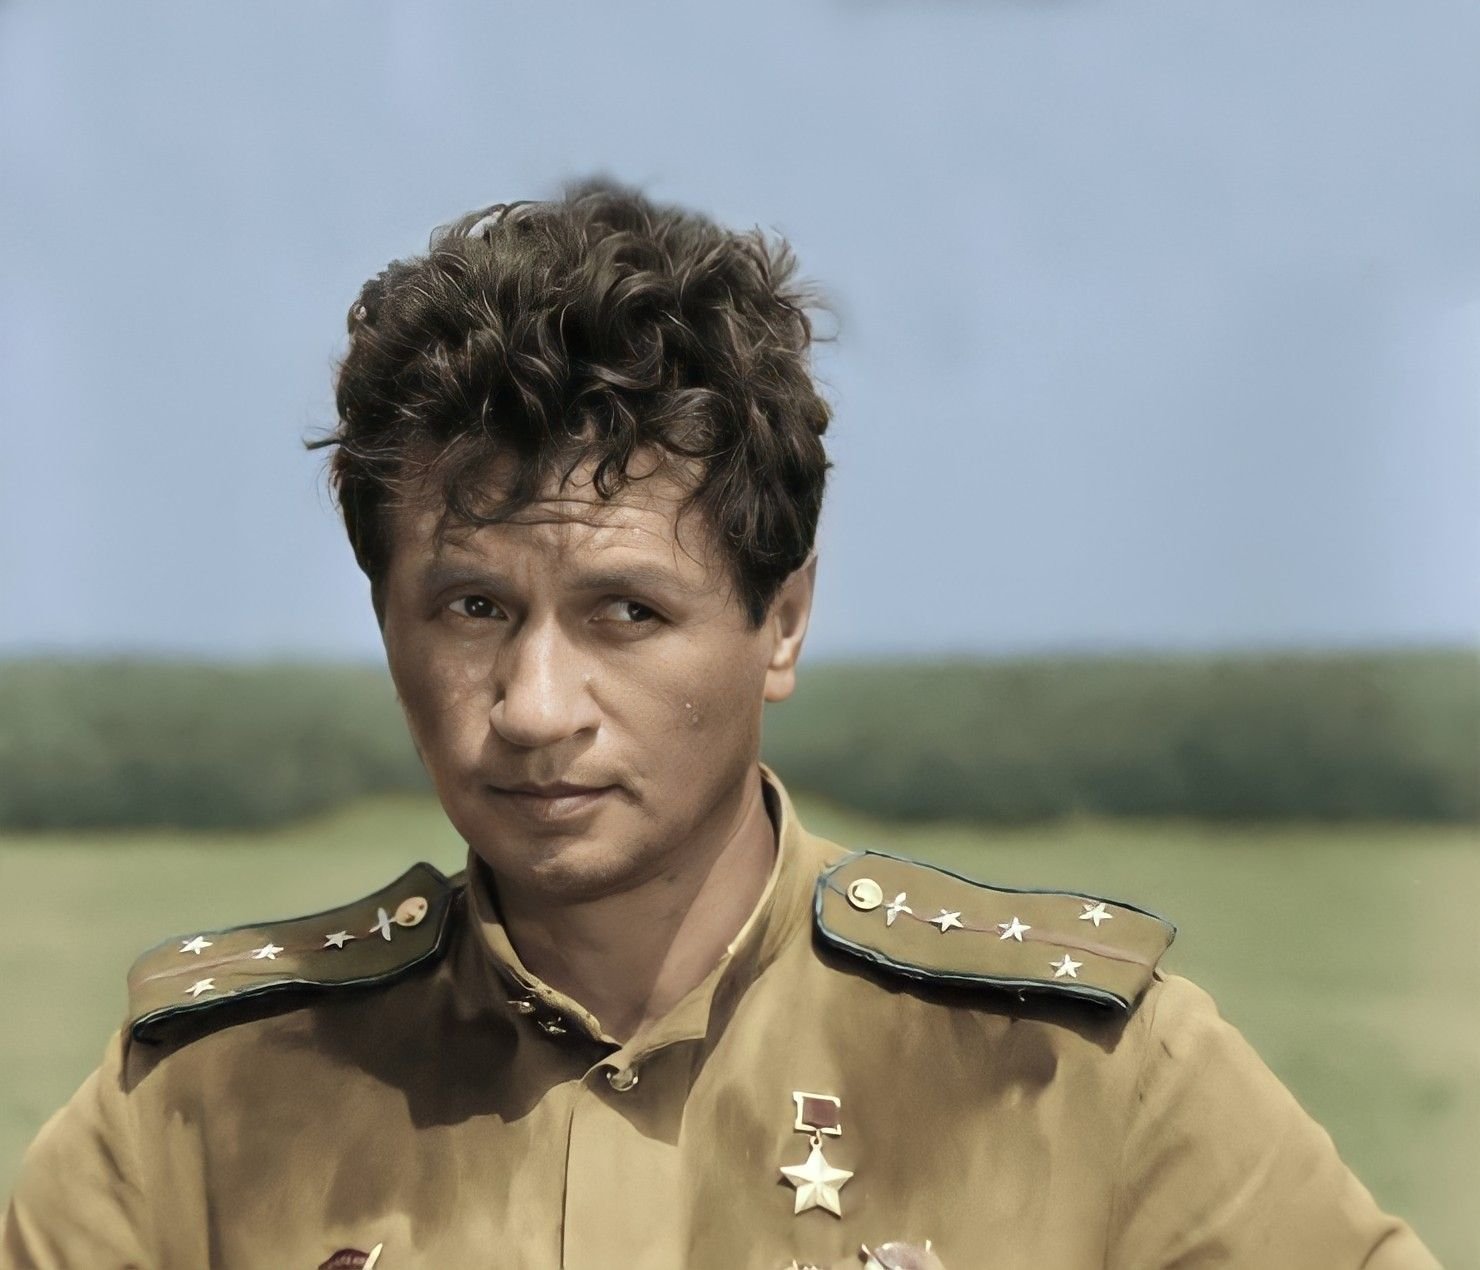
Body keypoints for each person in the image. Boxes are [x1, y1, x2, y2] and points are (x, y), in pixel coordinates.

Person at [2, 181, 1437, 1270]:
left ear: (783, 621)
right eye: (473, 607)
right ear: (387, 625)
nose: (535, 708)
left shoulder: (1078, 1074)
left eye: (626, 611)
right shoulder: (199, 1109)